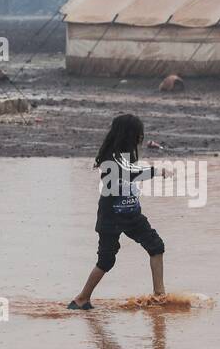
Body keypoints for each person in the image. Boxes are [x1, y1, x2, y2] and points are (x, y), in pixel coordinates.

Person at [69, 113, 166, 309]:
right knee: (106, 261)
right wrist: (155, 171)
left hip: (132, 215)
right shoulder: (110, 158)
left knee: (156, 246)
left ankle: (159, 296)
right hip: (111, 217)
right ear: (129, 135)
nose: (141, 138)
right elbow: (129, 174)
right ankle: (81, 299)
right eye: (139, 134)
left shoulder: (126, 156)